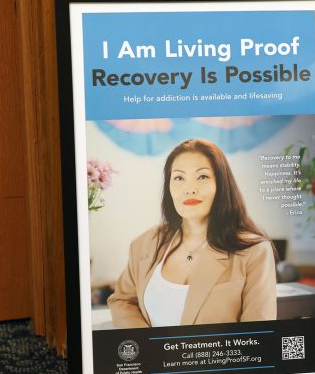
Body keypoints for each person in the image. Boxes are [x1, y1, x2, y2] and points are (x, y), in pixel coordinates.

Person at [109, 138, 277, 327]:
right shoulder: (145, 243)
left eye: (202, 176)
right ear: (169, 186)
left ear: (221, 185)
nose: (189, 189)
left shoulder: (254, 251)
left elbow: (258, 334)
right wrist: (149, 346)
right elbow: (122, 301)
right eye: (179, 178)